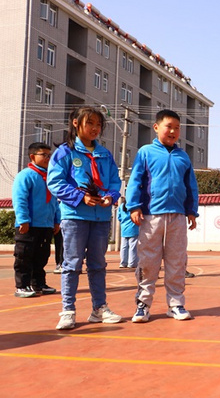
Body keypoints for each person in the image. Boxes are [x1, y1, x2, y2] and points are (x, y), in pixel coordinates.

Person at [47, 107, 122, 330]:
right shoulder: (64, 153)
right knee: (72, 264)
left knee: (98, 264)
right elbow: (55, 182)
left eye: (98, 124)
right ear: (75, 123)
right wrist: (80, 197)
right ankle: (68, 310)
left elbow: (115, 182)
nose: (95, 129)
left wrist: (110, 196)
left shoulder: (105, 154)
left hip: (100, 218)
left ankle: (99, 308)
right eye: (90, 123)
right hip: (75, 216)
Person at [126, 109, 199, 322]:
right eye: (169, 126)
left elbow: (190, 185)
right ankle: (143, 305)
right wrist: (134, 206)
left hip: (177, 216)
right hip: (151, 216)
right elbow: (135, 181)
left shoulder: (183, 156)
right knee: (148, 262)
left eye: (177, 128)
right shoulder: (146, 152)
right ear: (156, 127)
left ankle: (176, 304)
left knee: (177, 261)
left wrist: (191, 210)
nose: (173, 131)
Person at [12, 142, 60, 297]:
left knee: (42, 256)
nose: (47, 158)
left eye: (49, 155)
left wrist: (56, 220)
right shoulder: (25, 175)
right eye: (43, 155)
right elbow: (20, 199)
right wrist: (23, 220)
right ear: (32, 156)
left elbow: (55, 201)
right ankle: (22, 285)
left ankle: (38, 284)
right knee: (24, 256)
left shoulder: (50, 177)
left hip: (45, 224)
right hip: (29, 224)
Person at [117, 197, 139, 269]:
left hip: (124, 228)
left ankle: (123, 263)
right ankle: (132, 263)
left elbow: (119, 217)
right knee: (133, 247)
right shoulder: (134, 206)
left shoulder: (121, 206)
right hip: (133, 228)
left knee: (124, 247)